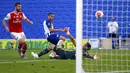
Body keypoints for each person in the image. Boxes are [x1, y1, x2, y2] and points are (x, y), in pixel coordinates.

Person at [31, 27, 100, 60]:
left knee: (51, 46)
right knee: (61, 48)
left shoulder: (80, 49)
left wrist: (68, 33)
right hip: (66, 57)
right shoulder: (86, 54)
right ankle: (54, 56)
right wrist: (94, 57)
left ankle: (38, 56)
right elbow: (90, 57)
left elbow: (73, 40)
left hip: (64, 54)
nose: (84, 45)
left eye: (85, 45)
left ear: (86, 47)